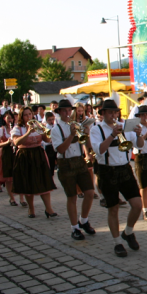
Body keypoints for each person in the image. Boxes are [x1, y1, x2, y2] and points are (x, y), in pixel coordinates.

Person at [90, 96, 144, 257]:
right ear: (104, 113)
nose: (114, 116)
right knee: (112, 209)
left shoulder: (125, 126)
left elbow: (139, 146)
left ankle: (128, 232)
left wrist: (140, 134)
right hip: (107, 171)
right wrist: (112, 135)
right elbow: (99, 150)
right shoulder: (96, 129)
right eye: (110, 113)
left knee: (137, 204)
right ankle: (117, 243)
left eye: (116, 112)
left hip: (125, 169)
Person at [51, 100, 97, 241]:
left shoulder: (76, 125)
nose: (67, 113)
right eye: (63, 110)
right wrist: (71, 135)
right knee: (72, 197)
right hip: (65, 163)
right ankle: (74, 228)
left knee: (89, 192)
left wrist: (87, 134)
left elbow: (87, 145)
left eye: (68, 110)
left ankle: (83, 220)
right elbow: (60, 149)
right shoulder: (56, 129)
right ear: (58, 112)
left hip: (79, 161)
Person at [11, 107, 57, 218]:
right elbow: (16, 142)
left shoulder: (38, 126)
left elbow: (47, 140)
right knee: (28, 182)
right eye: (26, 115)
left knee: (44, 180)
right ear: (22, 117)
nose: (28, 117)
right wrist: (28, 132)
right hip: (25, 155)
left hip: (38, 154)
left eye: (30, 114)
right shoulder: (18, 128)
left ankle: (49, 208)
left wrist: (45, 131)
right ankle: (31, 209)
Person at [0, 111, 21, 206]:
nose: (10, 120)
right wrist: (7, 142)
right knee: (9, 178)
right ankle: (12, 198)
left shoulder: (15, 129)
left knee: (18, 176)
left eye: (11, 118)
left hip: (16, 152)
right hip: (6, 153)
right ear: (4, 118)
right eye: (8, 118)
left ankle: (22, 198)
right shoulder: (0, 130)